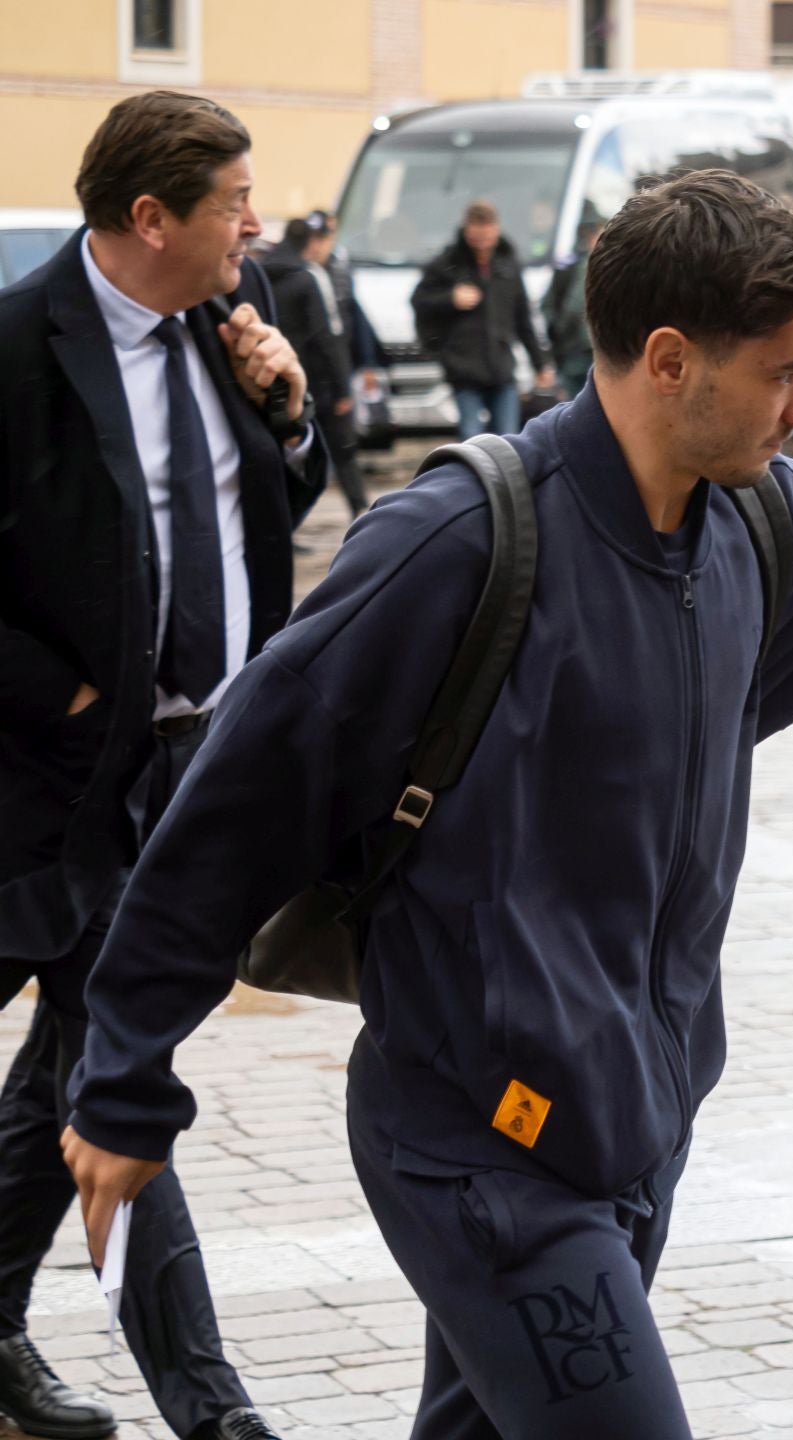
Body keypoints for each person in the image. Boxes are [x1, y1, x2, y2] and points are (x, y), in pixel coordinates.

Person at [60, 170, 793, 1440]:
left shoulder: (756, 526)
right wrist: (125, 1083)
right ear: (667, 359)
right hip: (479, 1140)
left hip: (641, 1121)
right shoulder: (459, 543)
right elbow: (235, 800)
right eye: (785, 372)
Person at [0, 90, 326, 1440]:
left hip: (190, 771)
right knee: (115, 1073)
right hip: (46, 780)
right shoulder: (19, 347)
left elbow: (255, 520)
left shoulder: (222, 336)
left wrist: (293, 419)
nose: (256, 224)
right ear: (151, 218)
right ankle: (215, 1413)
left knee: (78, 1067)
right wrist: (78, 703)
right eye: (234, 202)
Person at [411, 200, 554, 439]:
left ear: (496, 230)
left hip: (501, 368)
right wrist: (450, 298)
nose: (482, 244)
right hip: (463, 369)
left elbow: (523, 319)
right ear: (466, 231)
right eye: (477, 238)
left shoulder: (508, 264)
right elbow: (420, 301)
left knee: (508, 438)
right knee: (471, 437)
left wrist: (541, 363)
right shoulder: (447, 264)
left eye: (487, 237)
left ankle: (504, 478)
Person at [262, 211, 366, 517]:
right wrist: (343, 388)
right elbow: (326, 336)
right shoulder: (309, 277)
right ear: (309, 241)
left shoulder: (261, 273)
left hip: (273, 379)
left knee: (282, 454)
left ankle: (285, 523)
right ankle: (360, 509)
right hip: (317, 381)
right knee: (343, 451)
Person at [542, 217, 603, 399]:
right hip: (576, 351)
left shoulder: (571, 266)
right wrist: (558, 330)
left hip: (591, 351)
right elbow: (562, 307)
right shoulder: (572, 267)